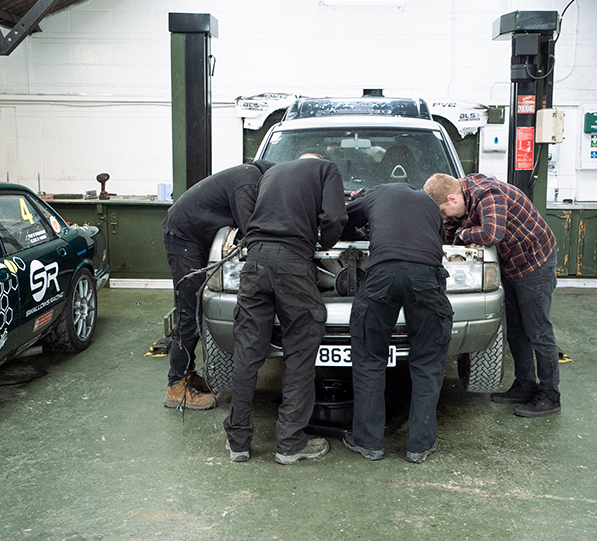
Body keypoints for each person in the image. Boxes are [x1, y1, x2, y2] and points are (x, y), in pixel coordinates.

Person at [224, 154, 348, 464]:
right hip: (293, 263)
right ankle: (290, 443)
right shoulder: (325, 168)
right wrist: (324, 243)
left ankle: (238, 442)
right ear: (317, 160)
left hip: (254, 262)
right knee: (300, 350)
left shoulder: (272, 173)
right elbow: (335, 218)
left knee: (247, 351)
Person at [423, 173, 561, 417]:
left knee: (538, 331)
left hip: (534, 263)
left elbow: (491, 234)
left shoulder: (488, 195)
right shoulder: (460, 200)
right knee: (516, 330)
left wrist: (463, 235)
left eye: (444, 210)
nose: (445, 216)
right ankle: (525, 385)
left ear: (452, 198)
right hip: (511, 264)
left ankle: (550, 395)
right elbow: (448, 232)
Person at [340, 183, 453, 464]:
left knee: (369, 358)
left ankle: (368, 443)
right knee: (428, 361)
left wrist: (356, 234)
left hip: (383, 273)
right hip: (427, 276)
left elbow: (342, 218)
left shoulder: (375, 194)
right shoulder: (429, 203)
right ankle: (420, 446)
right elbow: (439, 242)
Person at [161, 159, 275, 410]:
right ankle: (176, 385)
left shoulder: (253, 176)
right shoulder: (248, 182)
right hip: (183, 237)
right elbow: (252, 231)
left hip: (194, 236)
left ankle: (187, 372)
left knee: (197, 311)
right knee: (190, 312)